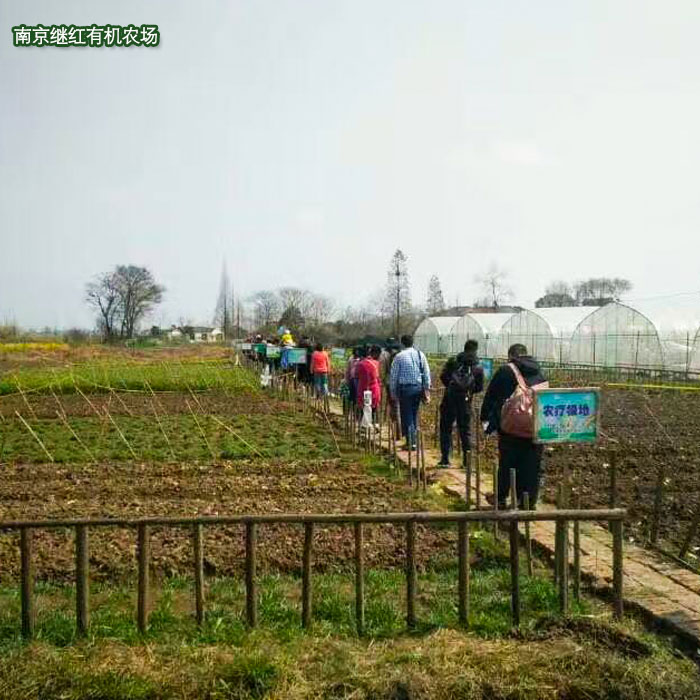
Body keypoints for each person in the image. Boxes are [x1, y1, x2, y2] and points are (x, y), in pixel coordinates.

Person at [480, 343, 547, 508]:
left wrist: (486, 419)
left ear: (511, 356)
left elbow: (491, 396)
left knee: (508, 463)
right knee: (531, 465)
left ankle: (501, 498)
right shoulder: (540, 372)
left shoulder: (506, 371)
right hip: (536, 427)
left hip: (511, 428)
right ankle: (528, 502)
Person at [437, 339, 484, 468]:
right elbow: (480, 387)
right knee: (465, 431)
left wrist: (451, 387)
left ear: (464, 348)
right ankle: (466, 462)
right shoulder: (478, 367)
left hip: (449, 399)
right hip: (465, 402)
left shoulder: (453, 361)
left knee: (446, 428)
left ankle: (445, 459)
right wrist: (468, 391)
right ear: (475, 350)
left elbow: (443, 376)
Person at [389, 334, 431, 450]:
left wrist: (393, 392)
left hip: (405, 389)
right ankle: (413, 441)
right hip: (418, 388)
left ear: (402, 343)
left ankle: (411, 443)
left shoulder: (399, 357)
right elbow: (426, 373)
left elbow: (394, 376)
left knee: (407, 416)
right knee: (414, 414)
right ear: (413, 343)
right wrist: (426, 389)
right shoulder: (420, 354)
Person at [357, 345, 382, 422]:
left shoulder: (360, 364)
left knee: (365, 407)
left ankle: (364, 424)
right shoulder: (376, 363)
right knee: (373, 408)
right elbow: (378, 376)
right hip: (374, 389)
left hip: (364, 389)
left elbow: (357, 375)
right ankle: (374, 423)